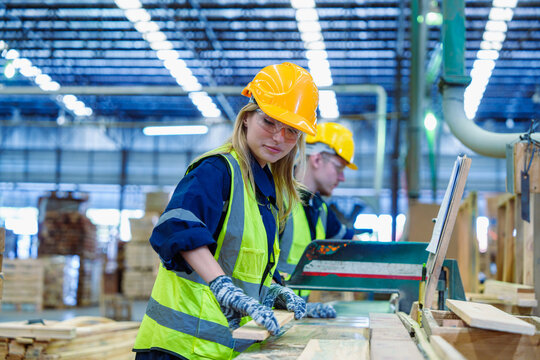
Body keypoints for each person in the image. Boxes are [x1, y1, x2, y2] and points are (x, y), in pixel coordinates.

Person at [133, 62, 319, 360]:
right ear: (246, 118)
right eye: (269, 122)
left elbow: (240, 262)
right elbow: (178, 230)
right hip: (178, 348)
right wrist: (223, 288)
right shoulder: (216, 170)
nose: (278, 137)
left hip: (219, 348)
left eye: (291, 131)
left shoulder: (265, 192)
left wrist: (273, 290)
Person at [278, 122, 358, 318]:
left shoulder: (319, 208)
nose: (342, 178)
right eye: (339, 168)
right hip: (266, 316)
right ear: (316, 159)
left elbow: (351, 243)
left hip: (294, 315)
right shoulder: (277, 200)